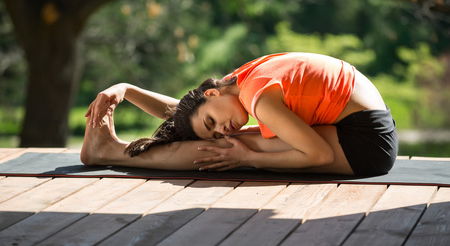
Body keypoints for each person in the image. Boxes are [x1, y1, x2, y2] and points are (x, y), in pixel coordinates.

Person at [81, 52, 398, 176]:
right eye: (216, 128)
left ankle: (111, 151)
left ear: (211, 93)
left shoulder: (257, 97)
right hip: (365, 124)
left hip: (367, 143)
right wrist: (127, 89)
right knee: (231, 141)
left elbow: (318, 154)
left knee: (233, 149)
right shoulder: (236, 83)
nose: (224, 127)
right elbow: (188, 113)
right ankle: (109, 149)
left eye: (213, 122)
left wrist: (248, 158)